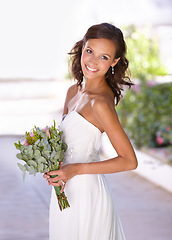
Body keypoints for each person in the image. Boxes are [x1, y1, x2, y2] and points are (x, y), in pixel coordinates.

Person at [43, 22, 138, 240]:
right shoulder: (73, 92)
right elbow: (68, 145)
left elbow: (129, 161)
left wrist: (74, 170)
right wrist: (48, 155)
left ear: (114, 62)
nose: (93, 62)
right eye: (90, 51)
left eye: (104, 57)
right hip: (64, 192)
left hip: (87, 196)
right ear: (82, 47)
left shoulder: (101, 104)